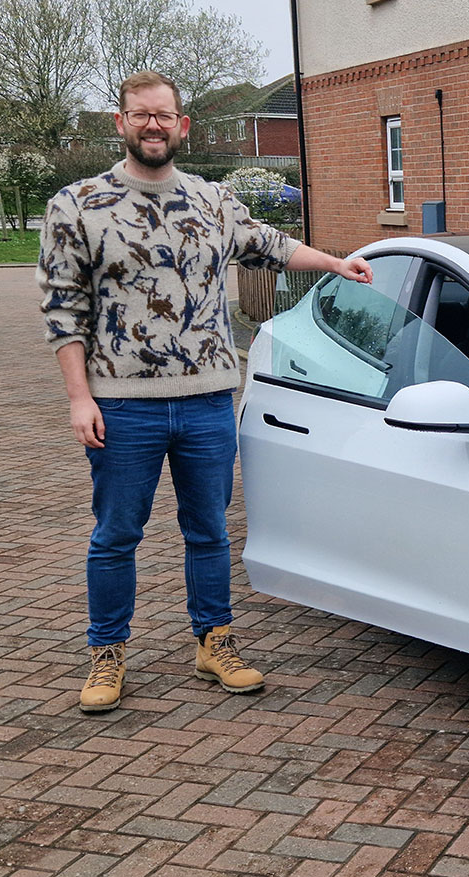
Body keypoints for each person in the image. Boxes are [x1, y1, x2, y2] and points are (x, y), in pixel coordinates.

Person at [39, 70, 372, 714]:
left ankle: (213, 639)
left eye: (164, 115)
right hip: (122, 404)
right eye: (141, 115)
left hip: (209, 399)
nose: (153, 125)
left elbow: (270, 246)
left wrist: (335, 262)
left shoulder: (213, 201)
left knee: (209, 530)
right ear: (121, 122)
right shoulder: (77, 204)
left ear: (181, 125)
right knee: (115, 533)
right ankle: (106, 652)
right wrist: (80, 398)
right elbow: (63, 309)